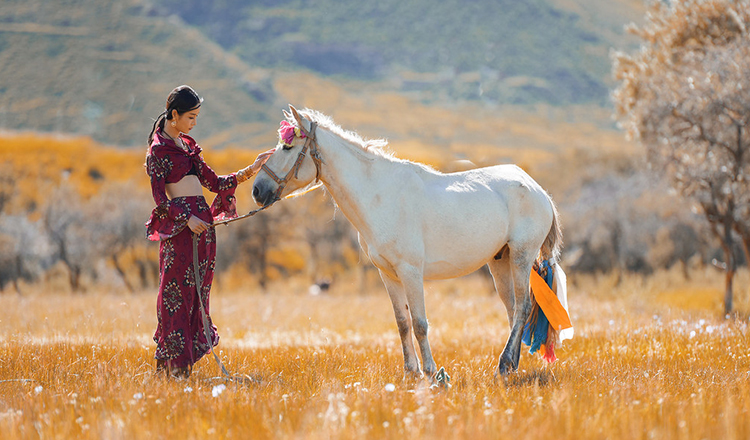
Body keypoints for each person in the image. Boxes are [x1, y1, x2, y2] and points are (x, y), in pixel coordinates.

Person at [144, 85, 273, 378]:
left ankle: (182, 372)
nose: (194, 123)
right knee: (175, 297)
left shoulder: (188, 146)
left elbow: (215, 183)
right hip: (181, 233)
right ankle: (172, 371)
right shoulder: (157, 152)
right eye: (191, 117)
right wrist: (187, 219)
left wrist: (251, 169)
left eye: (196, 117)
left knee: (196, 298)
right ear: (174, 115)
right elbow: (160, 201)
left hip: (203, 234)